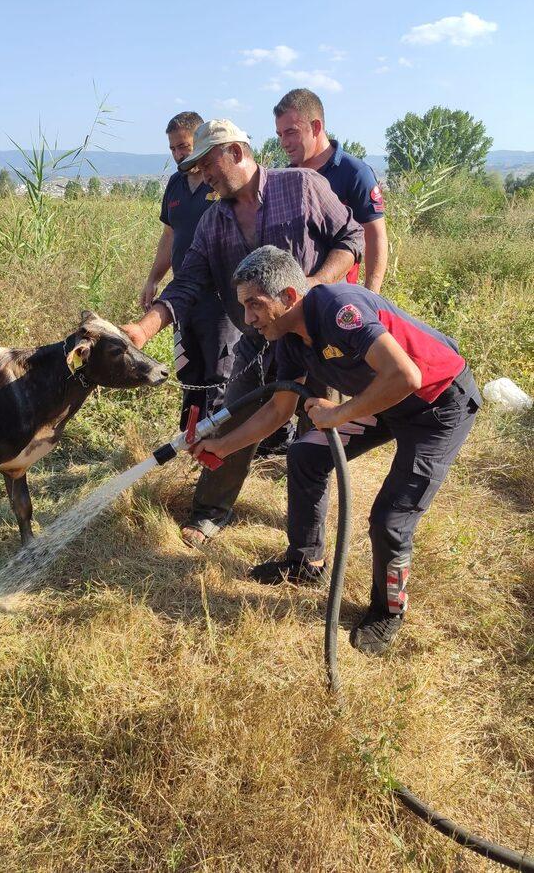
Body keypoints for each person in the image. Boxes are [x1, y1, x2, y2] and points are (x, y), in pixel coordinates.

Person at [189, 246, 481, 654]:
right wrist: (220, 446)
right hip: (384, 400)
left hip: (437, 405)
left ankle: (387, 611)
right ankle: (305, 562)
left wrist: (340, 412)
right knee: (305, 455)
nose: (248, 319)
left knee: (390, 520)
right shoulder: (289, 339)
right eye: (243, 307)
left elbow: (405, 375)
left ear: (289, 297)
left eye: (254, 305)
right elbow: (278, 410)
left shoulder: (338, 308)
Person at [122, 118, 364, 547]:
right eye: (194, 166)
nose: (202, 174)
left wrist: (313, 285)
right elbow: (187, 284)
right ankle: (211, 512)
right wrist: (143, 329)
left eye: (206, 163)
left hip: (318, 336)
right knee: (232, 417)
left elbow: (351, 237)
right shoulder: (213, 221)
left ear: (235, 152)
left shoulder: (303, 186)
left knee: (316, 437)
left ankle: (307, 545)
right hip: (256, 341)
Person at [141, 112, 239, 428]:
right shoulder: (175, 185)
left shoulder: (223, 185)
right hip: (183, 299)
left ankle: (221, 445)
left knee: (221, 374)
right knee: (189, 372)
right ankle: (190, 440)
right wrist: (153, 279)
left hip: (222, 301)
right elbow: (170, 236)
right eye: (173, 148)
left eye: (183, 146)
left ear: (199, 142)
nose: (179, 154)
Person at [274, 88, 387, 293]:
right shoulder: (285, 178)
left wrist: (371, 297)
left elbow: (375, 236)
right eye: (280, 135)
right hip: (293, 300)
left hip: (338, 297)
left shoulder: (354, 173)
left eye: (291, 132)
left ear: (316, 127)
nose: (284, 143)